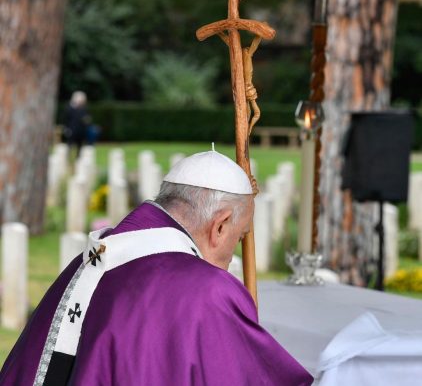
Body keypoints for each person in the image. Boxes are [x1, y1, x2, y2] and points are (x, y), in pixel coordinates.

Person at [0, 150, 313, 386]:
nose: (232, 256)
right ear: (220, 226)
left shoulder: (94, 260)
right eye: (239, 236)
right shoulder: (206, 291)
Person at [62, 91, 91, 158]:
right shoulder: (69, 108)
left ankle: (78, 159)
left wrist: (87, 121)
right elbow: (65, 119)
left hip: (81, 131)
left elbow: (87, 118)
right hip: (71, 130)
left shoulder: (84, 109)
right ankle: (67, 158)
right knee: (69, 145)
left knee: (80, 146)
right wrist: (66, 128)